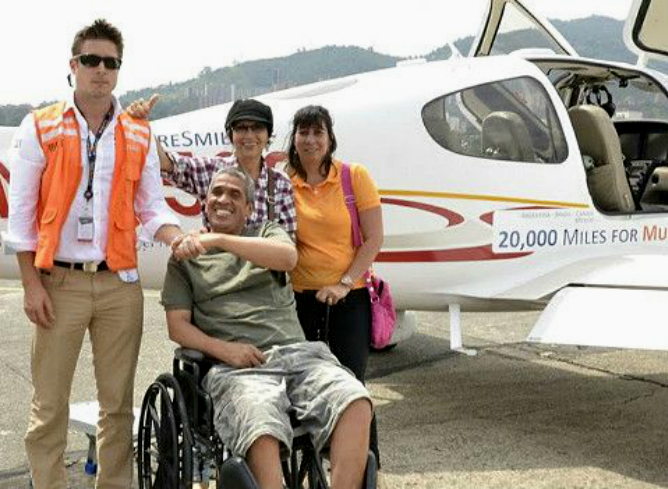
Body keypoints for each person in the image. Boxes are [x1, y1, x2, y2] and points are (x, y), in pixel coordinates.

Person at [4, 19, 184, 488]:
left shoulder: (138, 133)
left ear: (118, 70)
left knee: (117, 408)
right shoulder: (39, 125)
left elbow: (151, 205)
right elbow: (21, 214)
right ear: (73, 66)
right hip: (58, 285)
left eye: (110, 62)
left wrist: (177, 237)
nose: (100, 70)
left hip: (118, 284)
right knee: (48, 407)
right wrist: (30, 284)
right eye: (91, 60)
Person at [163, 167, 372, 489]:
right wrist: (225, 350)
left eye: (235, 194)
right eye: (217, 192)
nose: (223, 200)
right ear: (204, 203)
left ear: (249, 208)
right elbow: (178, 327)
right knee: (260, 422)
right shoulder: (184, 258)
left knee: (355, 400)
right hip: (239, 369)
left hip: (301, 356)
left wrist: (218, 239)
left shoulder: (266, 232)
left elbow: (288, 258)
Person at [286, 105, 384, 464]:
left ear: (330, 139)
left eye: (318, 133)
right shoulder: (284, 183)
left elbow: (373, 239)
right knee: (303, 388)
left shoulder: (353, 177)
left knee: (351, 386)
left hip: (347, 300)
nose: (310, 140)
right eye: (303, 132)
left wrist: (343, 284)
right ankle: (314, 467)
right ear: (293, 139)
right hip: (297, 300)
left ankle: (362, 471)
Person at [126, 96, 297, 237]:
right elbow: (166, 162)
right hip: (218, 272)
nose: (249, 135)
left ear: (268, 135)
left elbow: (289, 240)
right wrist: (142, 125)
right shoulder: (212, 171)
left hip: (262, 274)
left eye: (257, 128)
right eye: (241, 128)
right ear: (231, 135)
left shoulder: (280, 183)